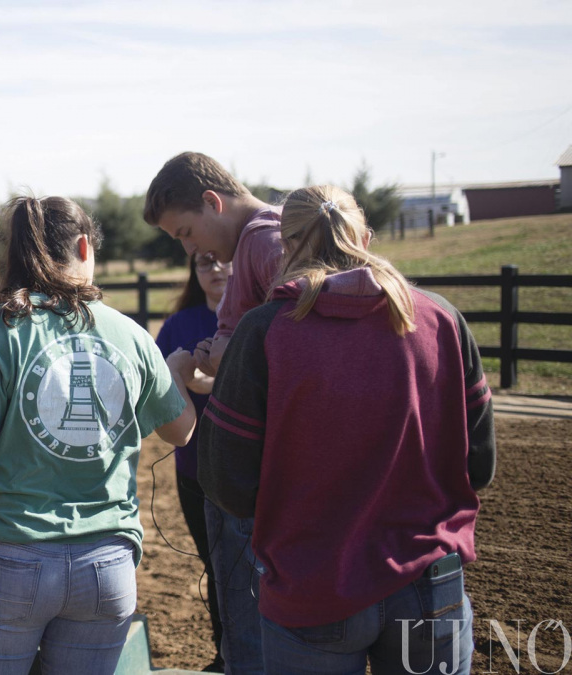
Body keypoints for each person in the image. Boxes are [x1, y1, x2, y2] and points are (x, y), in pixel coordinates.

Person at [0, 195, 199, 675]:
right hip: (107, 567)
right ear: (85, 247)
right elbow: (182, 430)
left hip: (7, 565)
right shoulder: (129, 334)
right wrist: (172, 370)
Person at [197, 185, 496, 675]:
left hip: (310, 583)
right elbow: (478, 465)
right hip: (429, 579)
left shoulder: (265, 331)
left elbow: (227, 480)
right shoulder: (442, 319)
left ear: (286, 247)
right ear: (367, 236)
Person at [144, 151, 283, 675]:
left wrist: (195, 363)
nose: (191, 248)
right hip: (233, 465)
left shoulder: (265, 243)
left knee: (249, 601)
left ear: (211, 201)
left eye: (185, 232)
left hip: (263, 466)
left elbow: (289, 342)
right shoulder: (255, 248)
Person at [153, 253, 232, 673]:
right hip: (195, 470)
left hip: (251, 471)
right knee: (215, 563)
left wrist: (203, 381)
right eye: (205, 263)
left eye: (223, 261)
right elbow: (158, 396)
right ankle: (226, 653)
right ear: (193, 273)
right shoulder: (178, 327)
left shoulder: (257, 320)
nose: (216, 269)